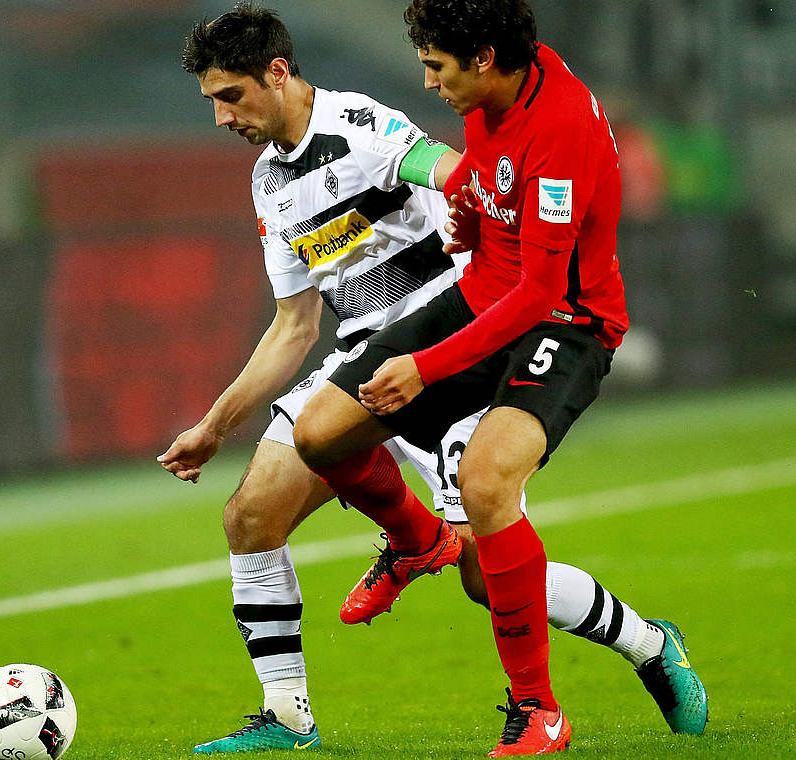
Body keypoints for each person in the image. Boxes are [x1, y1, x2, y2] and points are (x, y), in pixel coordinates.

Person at [160, 3, 679, 754]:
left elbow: (447, 168)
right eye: (210, 101)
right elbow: (294, 328)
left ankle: (645, 642)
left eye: (229, 96)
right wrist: (213, 427)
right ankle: (290, 712)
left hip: (459, 335)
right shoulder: (269, 183)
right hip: (373, 358)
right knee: (252, 513)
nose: (219, 117)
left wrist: (467, 197)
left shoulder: (361, 126)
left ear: (276, 73)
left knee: (483, 574)